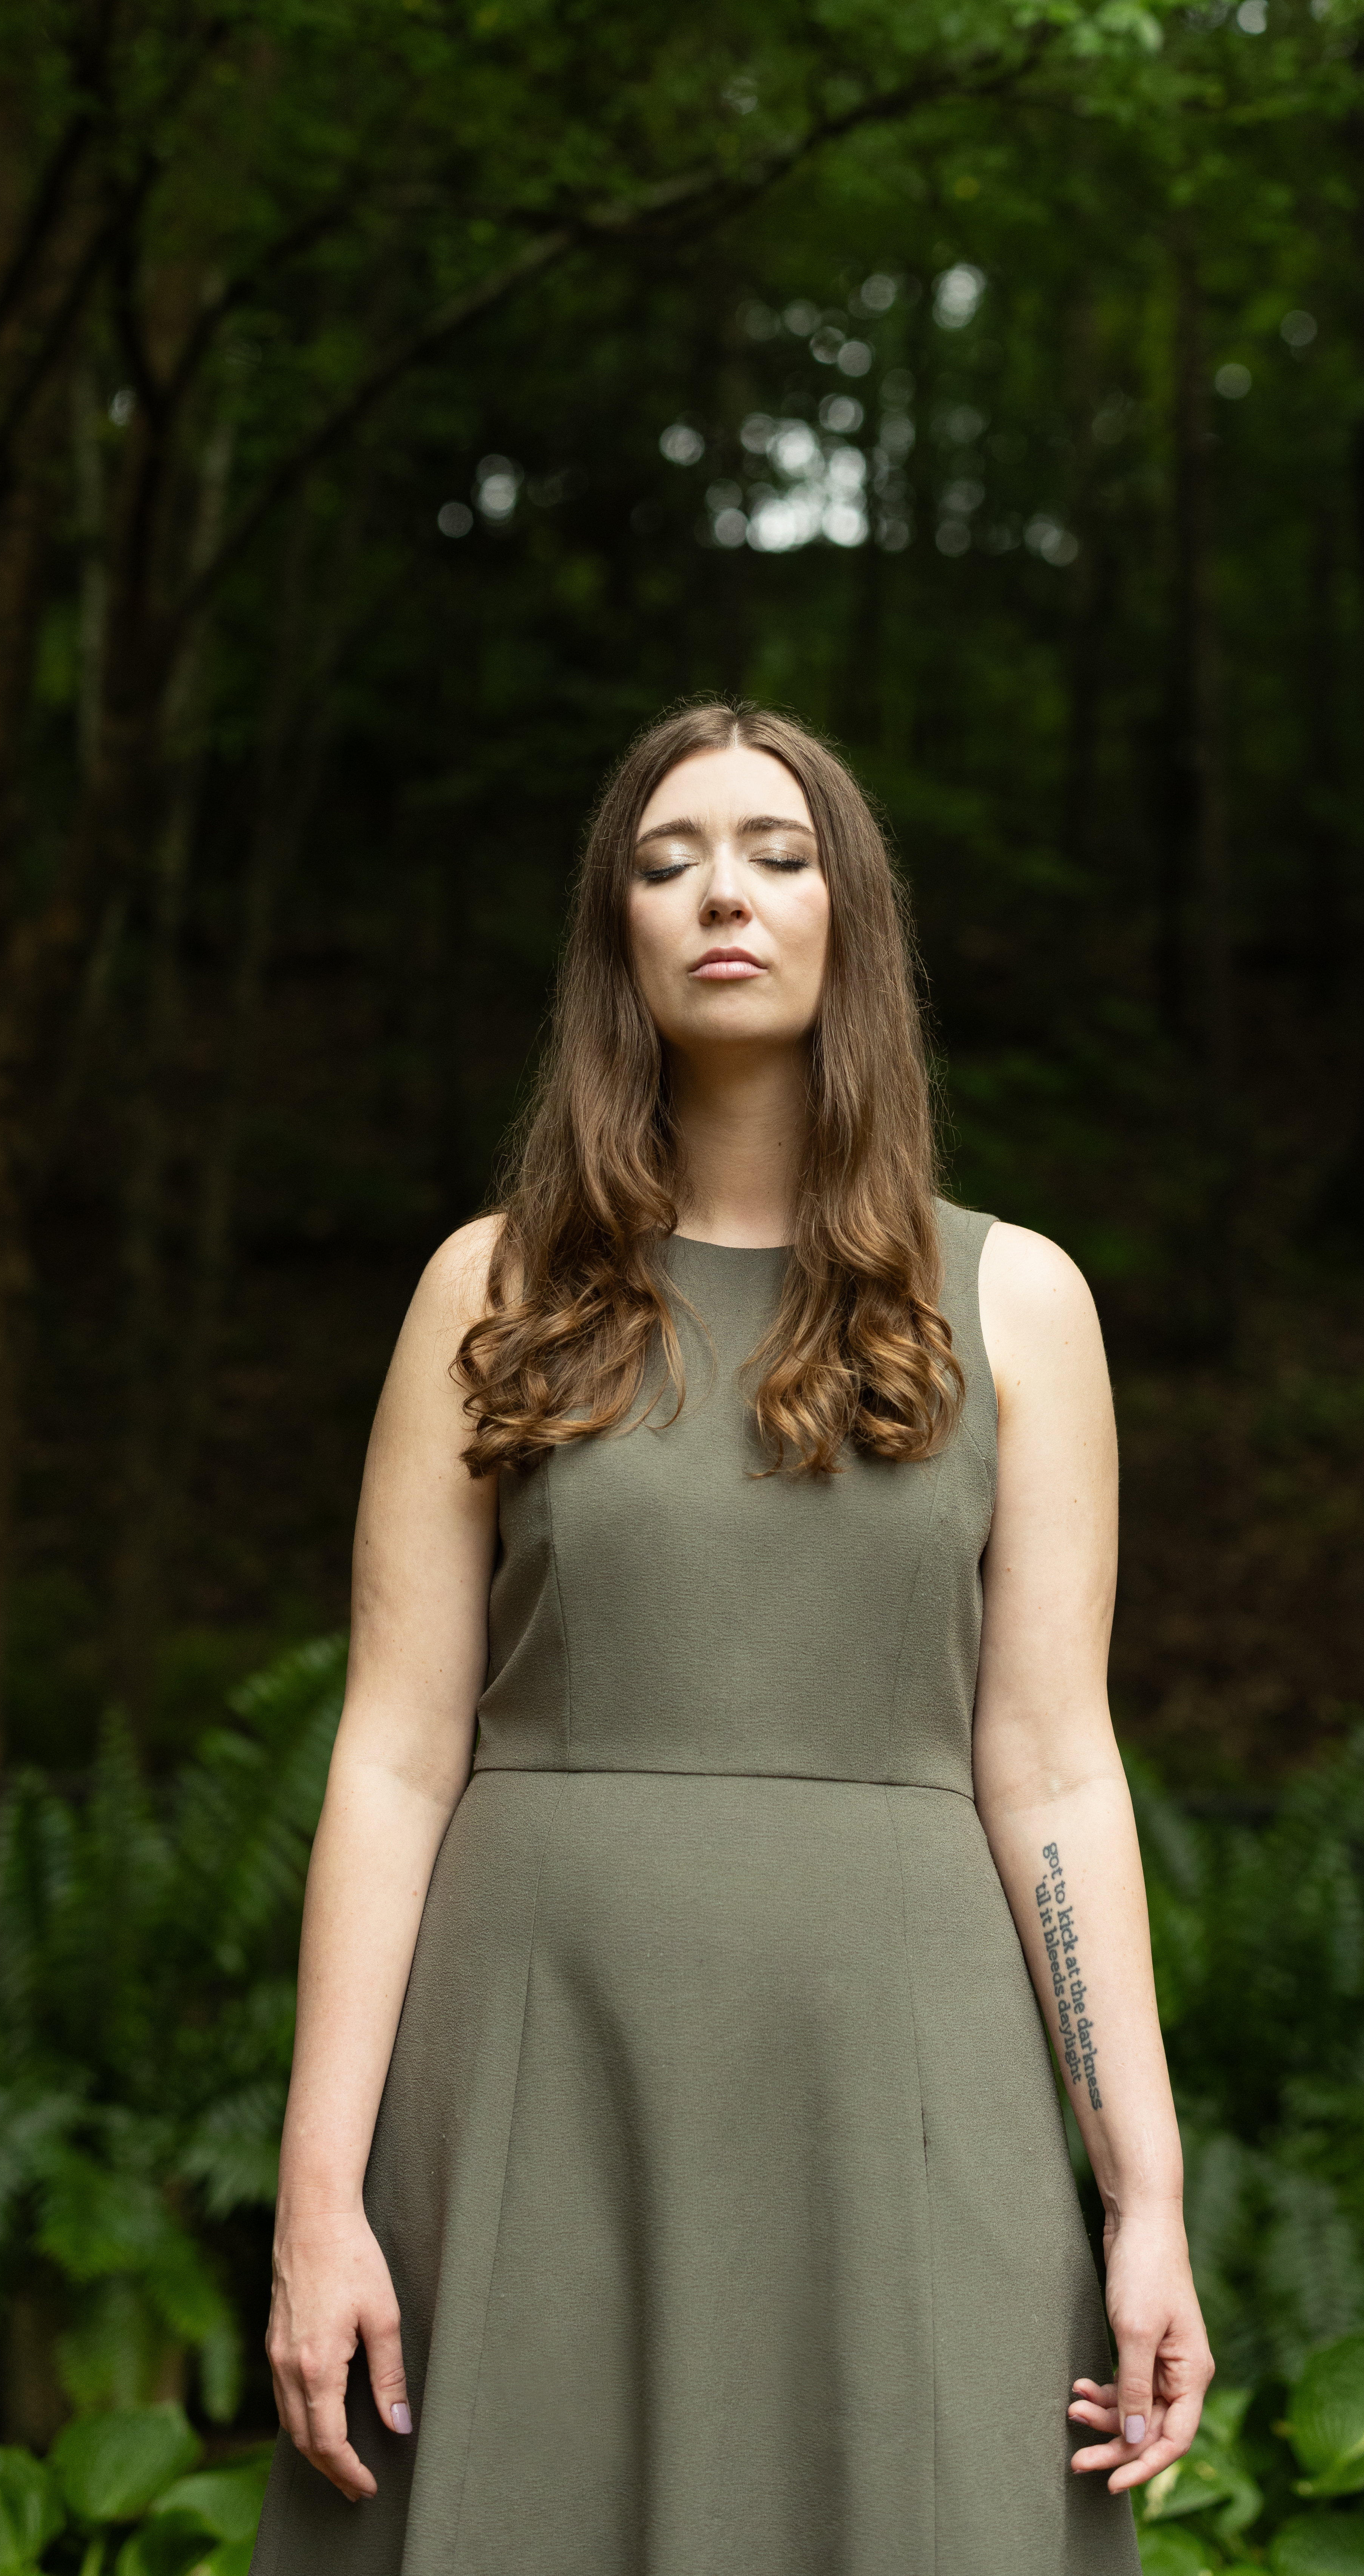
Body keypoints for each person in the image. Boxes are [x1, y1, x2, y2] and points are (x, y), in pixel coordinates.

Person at [251, 698, 1212, 2576]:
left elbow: (1053, 1767)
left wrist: (1145, 2186)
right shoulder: (492, 1283)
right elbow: (387, 1751)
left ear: (851, 920)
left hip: (908, 2082)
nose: (723, 893)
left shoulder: (1019, 1301)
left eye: (778, 853)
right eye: (667, 854)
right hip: (536, 2074)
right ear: (615, 932)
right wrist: (317, 2187)